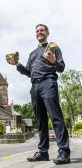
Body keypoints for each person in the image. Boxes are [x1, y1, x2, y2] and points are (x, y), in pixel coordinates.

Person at [7, 24, 70, 164]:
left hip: (48, 82)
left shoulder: (53, 48)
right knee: (41, 121)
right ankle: (43, 152)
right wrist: (17, 64)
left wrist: (54, 61)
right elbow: (29, 72)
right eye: (37, 31)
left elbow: (61, 67)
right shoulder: (32, 53)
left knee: (56, 117)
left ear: (47, 33)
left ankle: (64, 152)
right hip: (34, 86)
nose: (39, 32)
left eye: (42, 30)